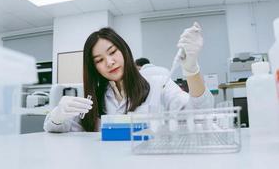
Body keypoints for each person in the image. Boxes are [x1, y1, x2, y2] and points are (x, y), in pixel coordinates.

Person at [44, 22, 214, 132]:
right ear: (93, 67)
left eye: (112, 52)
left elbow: (199, 112)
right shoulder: (94, 98)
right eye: (99, 60)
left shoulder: (157, 82)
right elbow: (58, 128)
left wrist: (191, 69)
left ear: (124, 50)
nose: (109, 62)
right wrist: (58, 115)